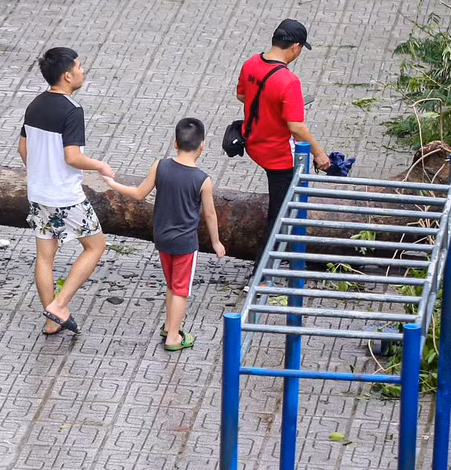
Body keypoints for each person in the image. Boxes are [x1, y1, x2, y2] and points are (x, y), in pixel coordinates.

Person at [102, 118, 226, 351]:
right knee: (181, 289)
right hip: (185, 243)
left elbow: (139, 194)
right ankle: (173, 338)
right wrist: (216, 242)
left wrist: (112, 183)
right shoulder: (202, 180)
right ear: (203, 146)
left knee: (171, 284)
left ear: (175, 143)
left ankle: (169, 325)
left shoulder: (160, 165)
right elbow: (209, 214)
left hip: (162, 237)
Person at [18, 47, 115, 336]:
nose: (83, 71)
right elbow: (72, 157)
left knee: (45, 257)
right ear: (67, 75)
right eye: (80, 66)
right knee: (96, 246)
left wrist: (41, 171)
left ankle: (51, 320)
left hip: (38, 193)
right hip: (65, 195)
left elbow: (23, 148)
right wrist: (100, 165)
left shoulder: (35, 104)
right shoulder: (72, 110)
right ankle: (60, 305)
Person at [236, 19, 330, 278]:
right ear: (296, 47)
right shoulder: (289, 81)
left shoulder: (250, 63)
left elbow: (243, 96)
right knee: (280, 214)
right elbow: (296, 127)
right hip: (277, 155)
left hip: (253, 142)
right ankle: (261, 276)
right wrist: (319, 154)